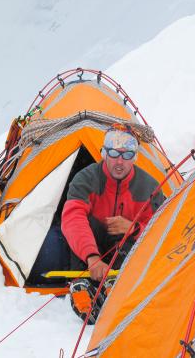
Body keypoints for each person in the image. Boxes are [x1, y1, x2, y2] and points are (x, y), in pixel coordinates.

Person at [61, 124, 165, 323]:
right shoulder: (84, 179)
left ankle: (114, 284)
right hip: (90, 250)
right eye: (114, 154)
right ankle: (82, 284)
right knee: (82, 224)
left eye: (126, 155)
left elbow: (162, 230)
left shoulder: (150, 187)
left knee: (130, 236)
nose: (119, 161)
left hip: (123, 250)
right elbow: (72, 218)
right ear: (104, 153)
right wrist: (92, 257)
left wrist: (133, 228)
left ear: (135, 157)